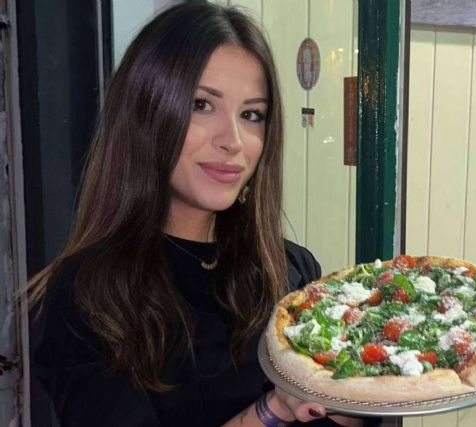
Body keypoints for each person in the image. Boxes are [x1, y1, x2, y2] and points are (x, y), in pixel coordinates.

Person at [28, 4, 375, 426]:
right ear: (145, 114)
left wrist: (360, 383)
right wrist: (272, 411)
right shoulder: (87, 297)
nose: (233, 140)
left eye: (252, 115)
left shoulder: (290, 271)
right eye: (201, 105)